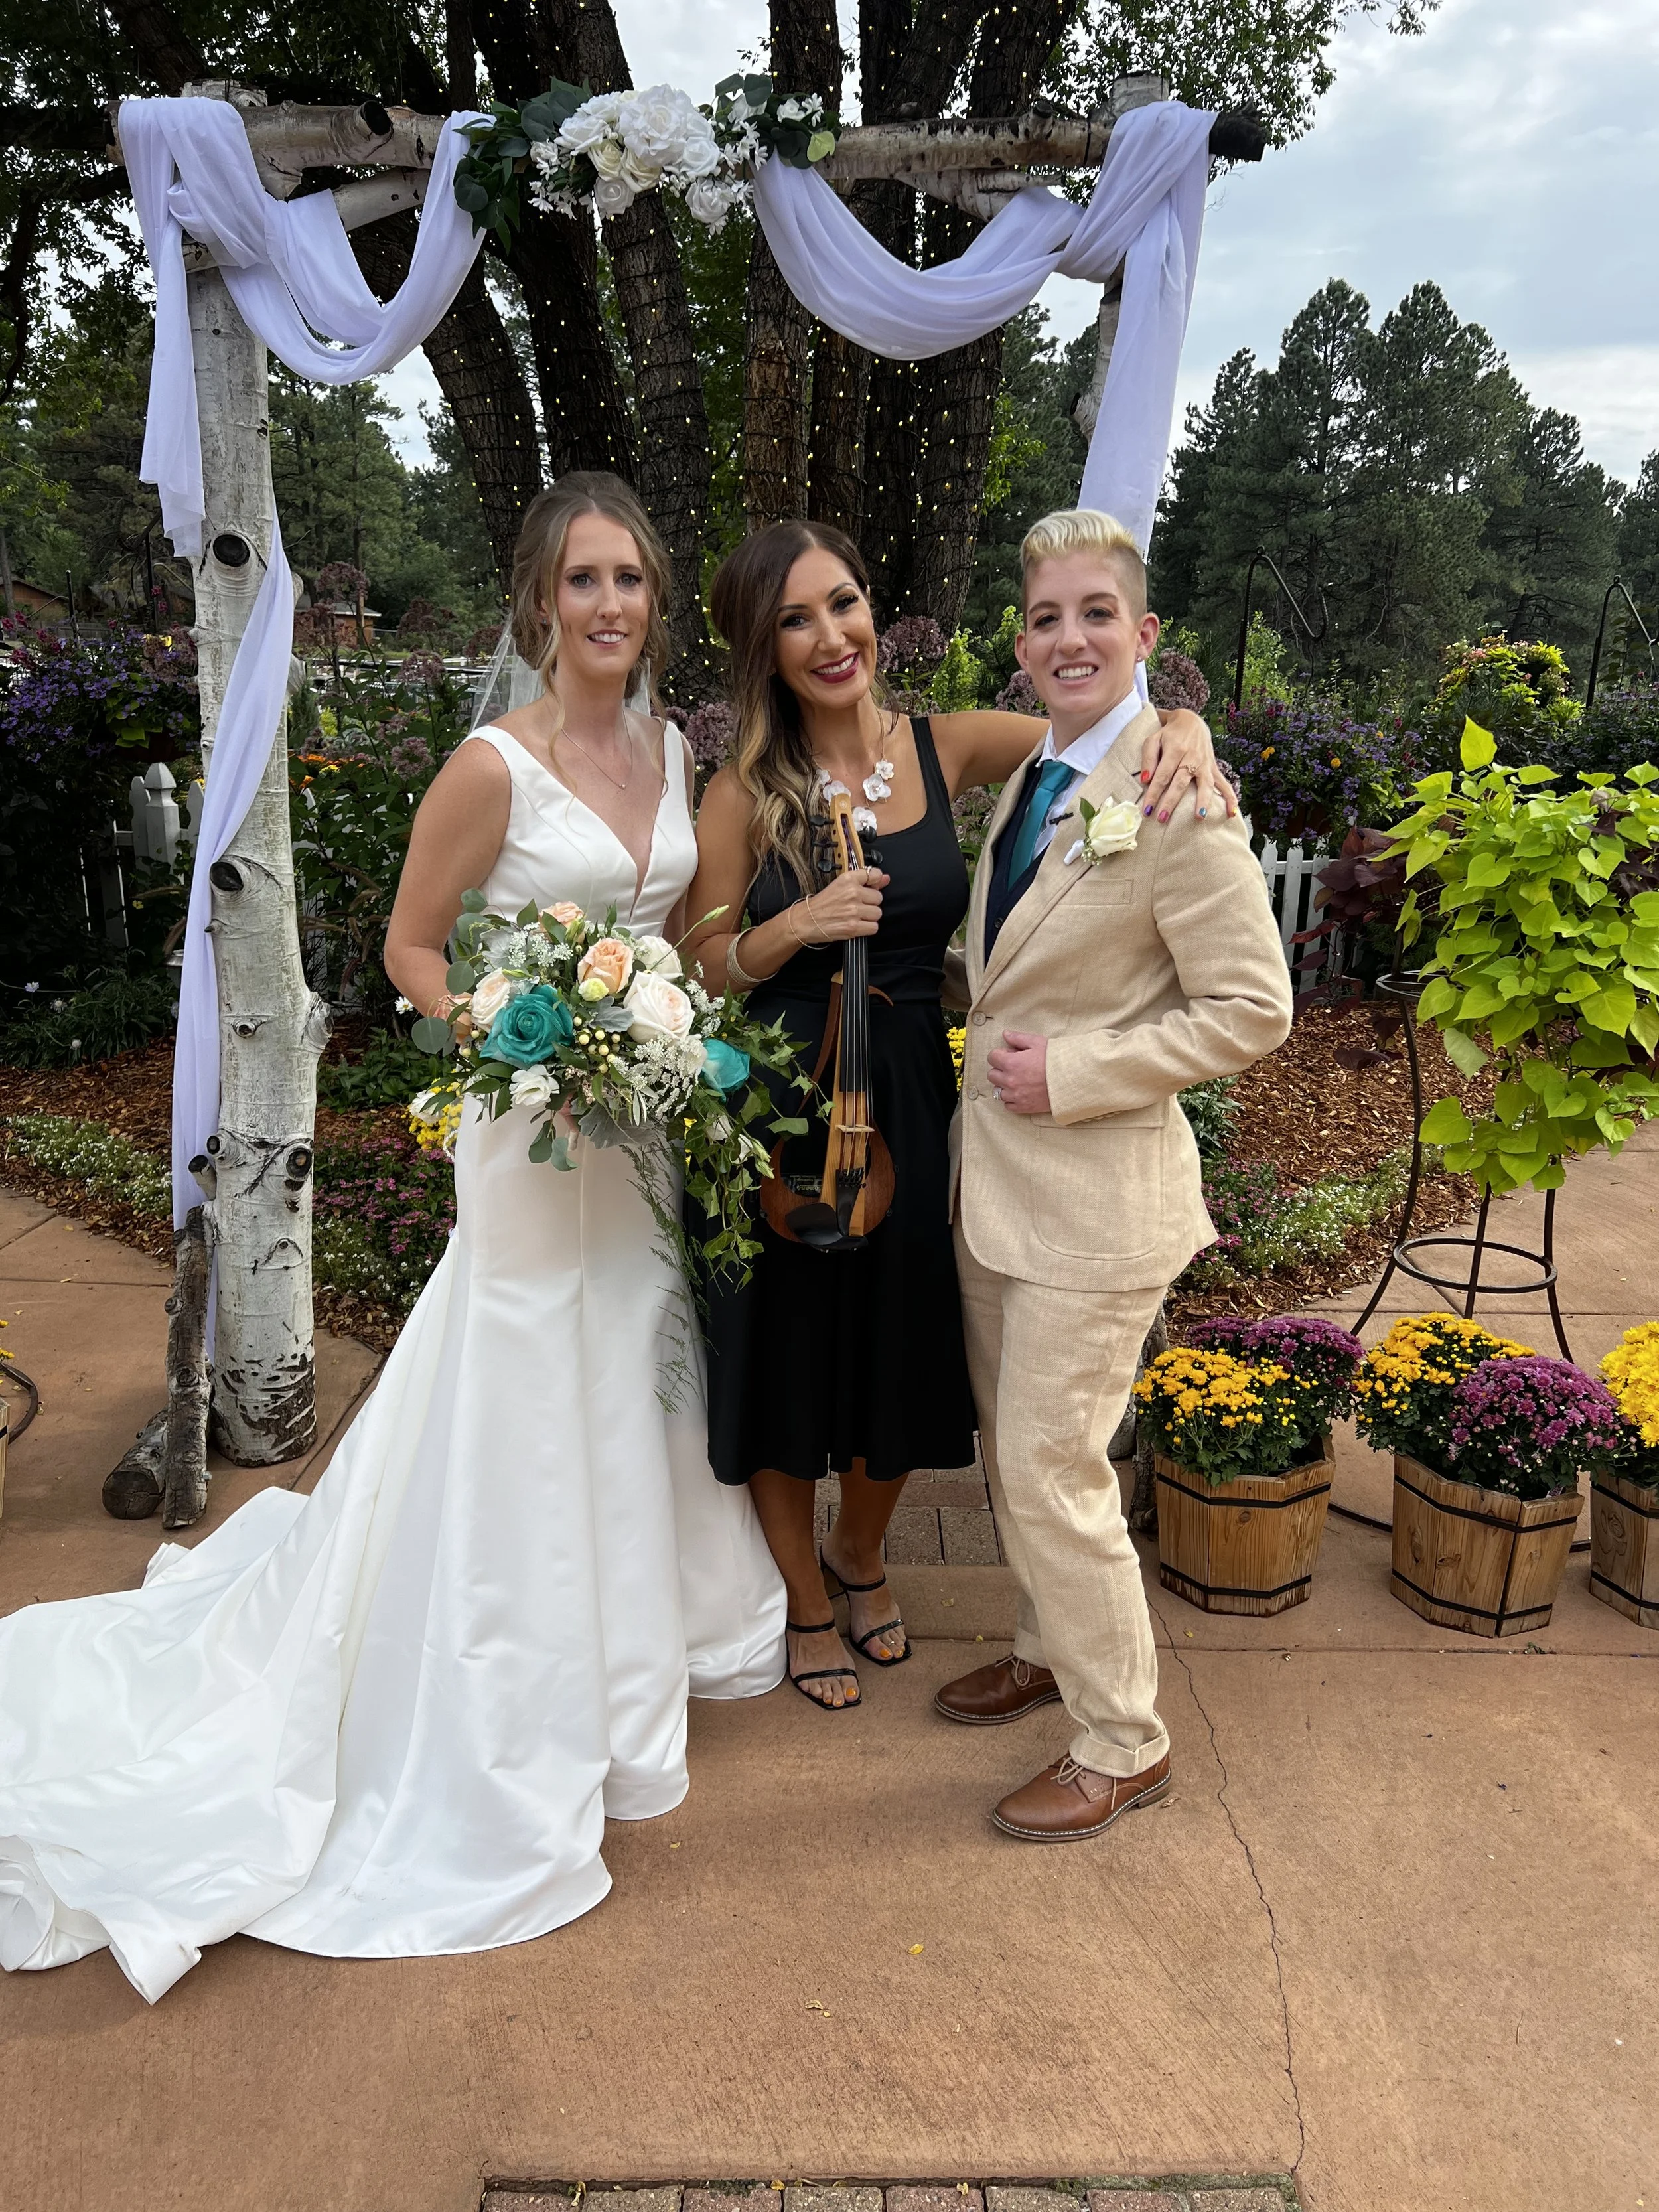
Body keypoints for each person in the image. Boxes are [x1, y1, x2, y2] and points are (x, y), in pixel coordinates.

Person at [0, 473, 786, 2004]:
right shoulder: (491, 766)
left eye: (630, 577)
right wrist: (506, 1027)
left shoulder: (675, 747)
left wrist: (677, 1014)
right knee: (517, 1372)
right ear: (536, 603)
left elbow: (676, 931)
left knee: (633, 1359)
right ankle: (504, 1684)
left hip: (631, 1134)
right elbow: (410, 946)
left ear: (654, 597)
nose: (609, 605)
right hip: (526, 1124)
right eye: (582, 581)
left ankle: (627, 1668)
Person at [685, 520, 1232, 1712]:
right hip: (778, 1095)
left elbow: (1104, 738)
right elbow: (705, 956)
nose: (832, 637)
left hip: (919, 1101)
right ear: (763, 650)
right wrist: (797, 927)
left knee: (897, 1339)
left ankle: (864, 1560)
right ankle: (806, 1603)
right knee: (780, 1358)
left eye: (845, 602)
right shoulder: (740, 790)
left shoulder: (950, 747)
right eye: (795, 619)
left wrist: (1184, 725)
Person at [934, 507, 1293, 1838]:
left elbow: (1253, 1009)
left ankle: (1119, 1740)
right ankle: (1047, 1644)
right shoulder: (1036, 778)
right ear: (1022, 646)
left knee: (1049, 1464)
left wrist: (1072, 1075)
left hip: (1095, 1200)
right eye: (1044, 618)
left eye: (1095, 613)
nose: (1067, 636)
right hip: (998, 1190)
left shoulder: (1172, 796)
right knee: (1014, 1454)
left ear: (1142, 636)